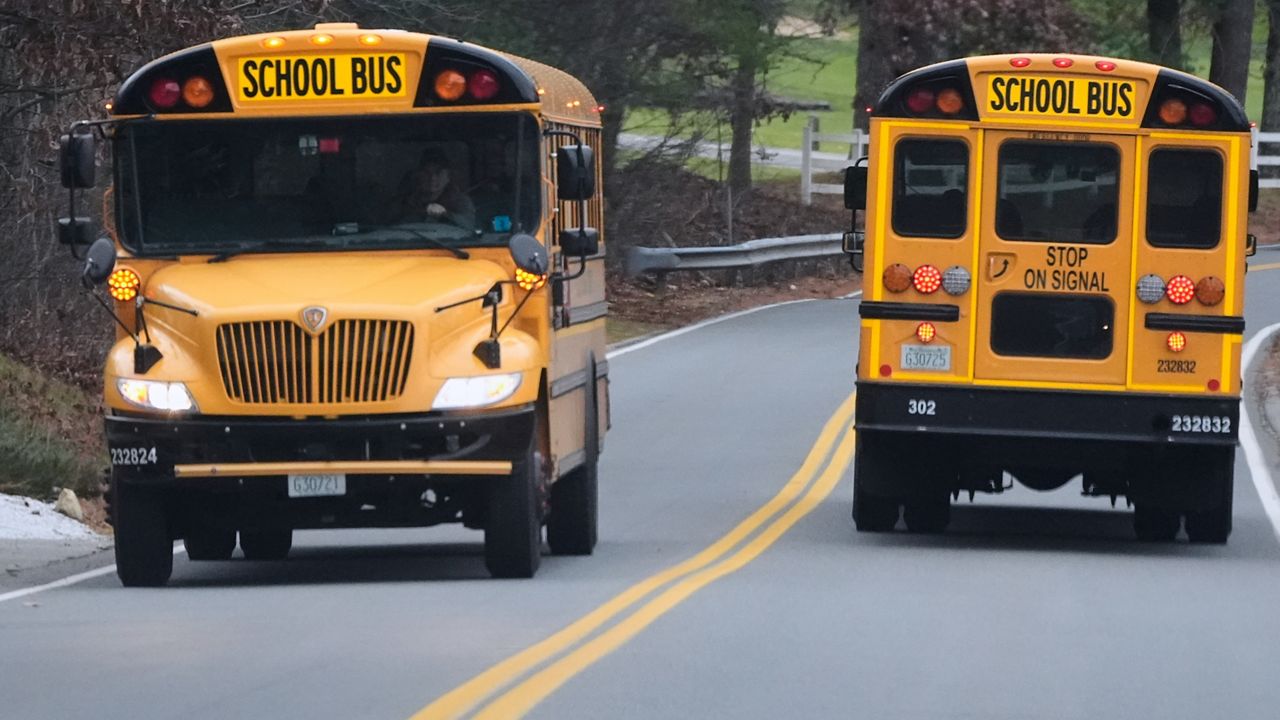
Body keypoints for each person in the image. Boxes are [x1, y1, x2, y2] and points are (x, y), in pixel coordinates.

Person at [397, 148, 476, 229]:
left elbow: (469, 226)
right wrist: (420, 212)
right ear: (419, 176)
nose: (432, 178)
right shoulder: (403, 202)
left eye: (438, 172)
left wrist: (445, 214)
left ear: (448, 176)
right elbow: (390, 227)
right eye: (427, 172)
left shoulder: (461, 202)